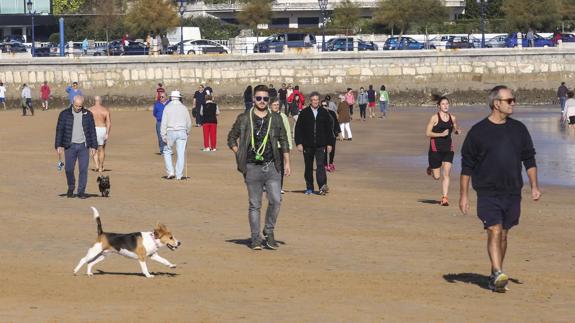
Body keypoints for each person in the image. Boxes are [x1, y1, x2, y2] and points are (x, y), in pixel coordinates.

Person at [459, 85, 541, 293]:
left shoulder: (519, 129)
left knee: (503, 234)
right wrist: (464, 196)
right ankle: (497, 272)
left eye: (513, 100)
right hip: (487, 191)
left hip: (512, 191)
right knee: (494, 229)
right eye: (509, 101)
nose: (513, 103)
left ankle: (497, 272)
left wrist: (534, 186)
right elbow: (467, 166)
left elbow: (529, 159)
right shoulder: (478, 132)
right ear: (497, 104)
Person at [227, 84, 291, 250]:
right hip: (252, 168)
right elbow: (231, 138)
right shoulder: (244, 118)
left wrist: (287, 162)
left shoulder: (275, 118)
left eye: (265, 99)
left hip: (272, 166)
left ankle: (268, 232)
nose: (262, 101)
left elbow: (283, 140)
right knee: (255, 204)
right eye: (259, 98)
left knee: (276, 201)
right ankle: (255, 238)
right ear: (253, 99)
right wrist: (238, 152)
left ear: (269, 100)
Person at [55, 95, 98, 199]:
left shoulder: (88, 114)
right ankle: (71, 186)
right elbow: (59, 130)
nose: (78, 108)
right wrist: (58, 145)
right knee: (69, 169)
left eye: (80, 106)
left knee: (83, 169)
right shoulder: (64, 114)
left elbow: (92, 131)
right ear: (72, 103)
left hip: (84, 146)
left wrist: (93, 146)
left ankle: (81, 191)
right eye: (76, 106)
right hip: (70, 146)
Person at [294, 91, 334, 195]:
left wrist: (330, 144)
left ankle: (322, 186)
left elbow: (329, 129)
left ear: (319, 100)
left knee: (321, 166)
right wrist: (299, 143)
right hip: (307, 145)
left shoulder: (324, 112)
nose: (315, 102)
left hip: (321, 145)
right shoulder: (304, 113)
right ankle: (309, 187)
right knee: (308, 167)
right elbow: (298, 128)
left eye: (317, 100)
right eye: (313, 100)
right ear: (310, 101)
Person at [425, 96, 461, 206]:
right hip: (435, 149)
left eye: (447, 104)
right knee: (437, 177)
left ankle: (444, 198)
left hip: (448, 149)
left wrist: (456, 131)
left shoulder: (452, 118)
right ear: (439, 106)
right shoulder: (434, 118)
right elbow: (427, 133)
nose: (445, 106)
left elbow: (454, 128)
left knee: (446, 174)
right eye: (443, 104)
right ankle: (431, 167)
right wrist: (440, 134)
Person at [161, 91, 192, 180]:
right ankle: (179, 175)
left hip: (170, 131)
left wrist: (163, 135)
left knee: (167, 151)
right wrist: (187, 132)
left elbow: (164, 123)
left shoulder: (167, 107)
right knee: (181, 153)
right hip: (182, 131)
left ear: (171, 97)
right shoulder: (184, 108)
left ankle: (170, 172)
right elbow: (188, 122)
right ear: (179, 98)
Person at [270, 98, 292, 193]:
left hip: (280, 146)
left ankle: (279, 186)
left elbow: (287, 131)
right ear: (270, 105)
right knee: (269, 166)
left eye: (277, 105)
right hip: (270, 145)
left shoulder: (283, 116)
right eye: (274, 105)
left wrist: (289, 146)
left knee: (280, 166)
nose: (276, 106)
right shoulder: (267, 116)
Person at [89, 96, 112, 173]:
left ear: (94, 101)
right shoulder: (105, 110)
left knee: (93, 148)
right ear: (100, 101)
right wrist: (107, 133)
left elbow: (86, 122)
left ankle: (96, 165)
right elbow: (109, 123)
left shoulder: (90, 110)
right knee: (101, 149)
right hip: (102, 129)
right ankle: (101, 167)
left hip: (93, 129)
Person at [322, 98, 340, 172]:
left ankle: (331, 163)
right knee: (324, 150)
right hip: (323, 135)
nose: (324, 107)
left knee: (332, 150)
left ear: (328, 106)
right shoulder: (319, 114)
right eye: (322, 106)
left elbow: (336, 123)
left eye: (325, 105)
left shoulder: (332, 113)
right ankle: (325, 165)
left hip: (332, 134)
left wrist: (339, 133)